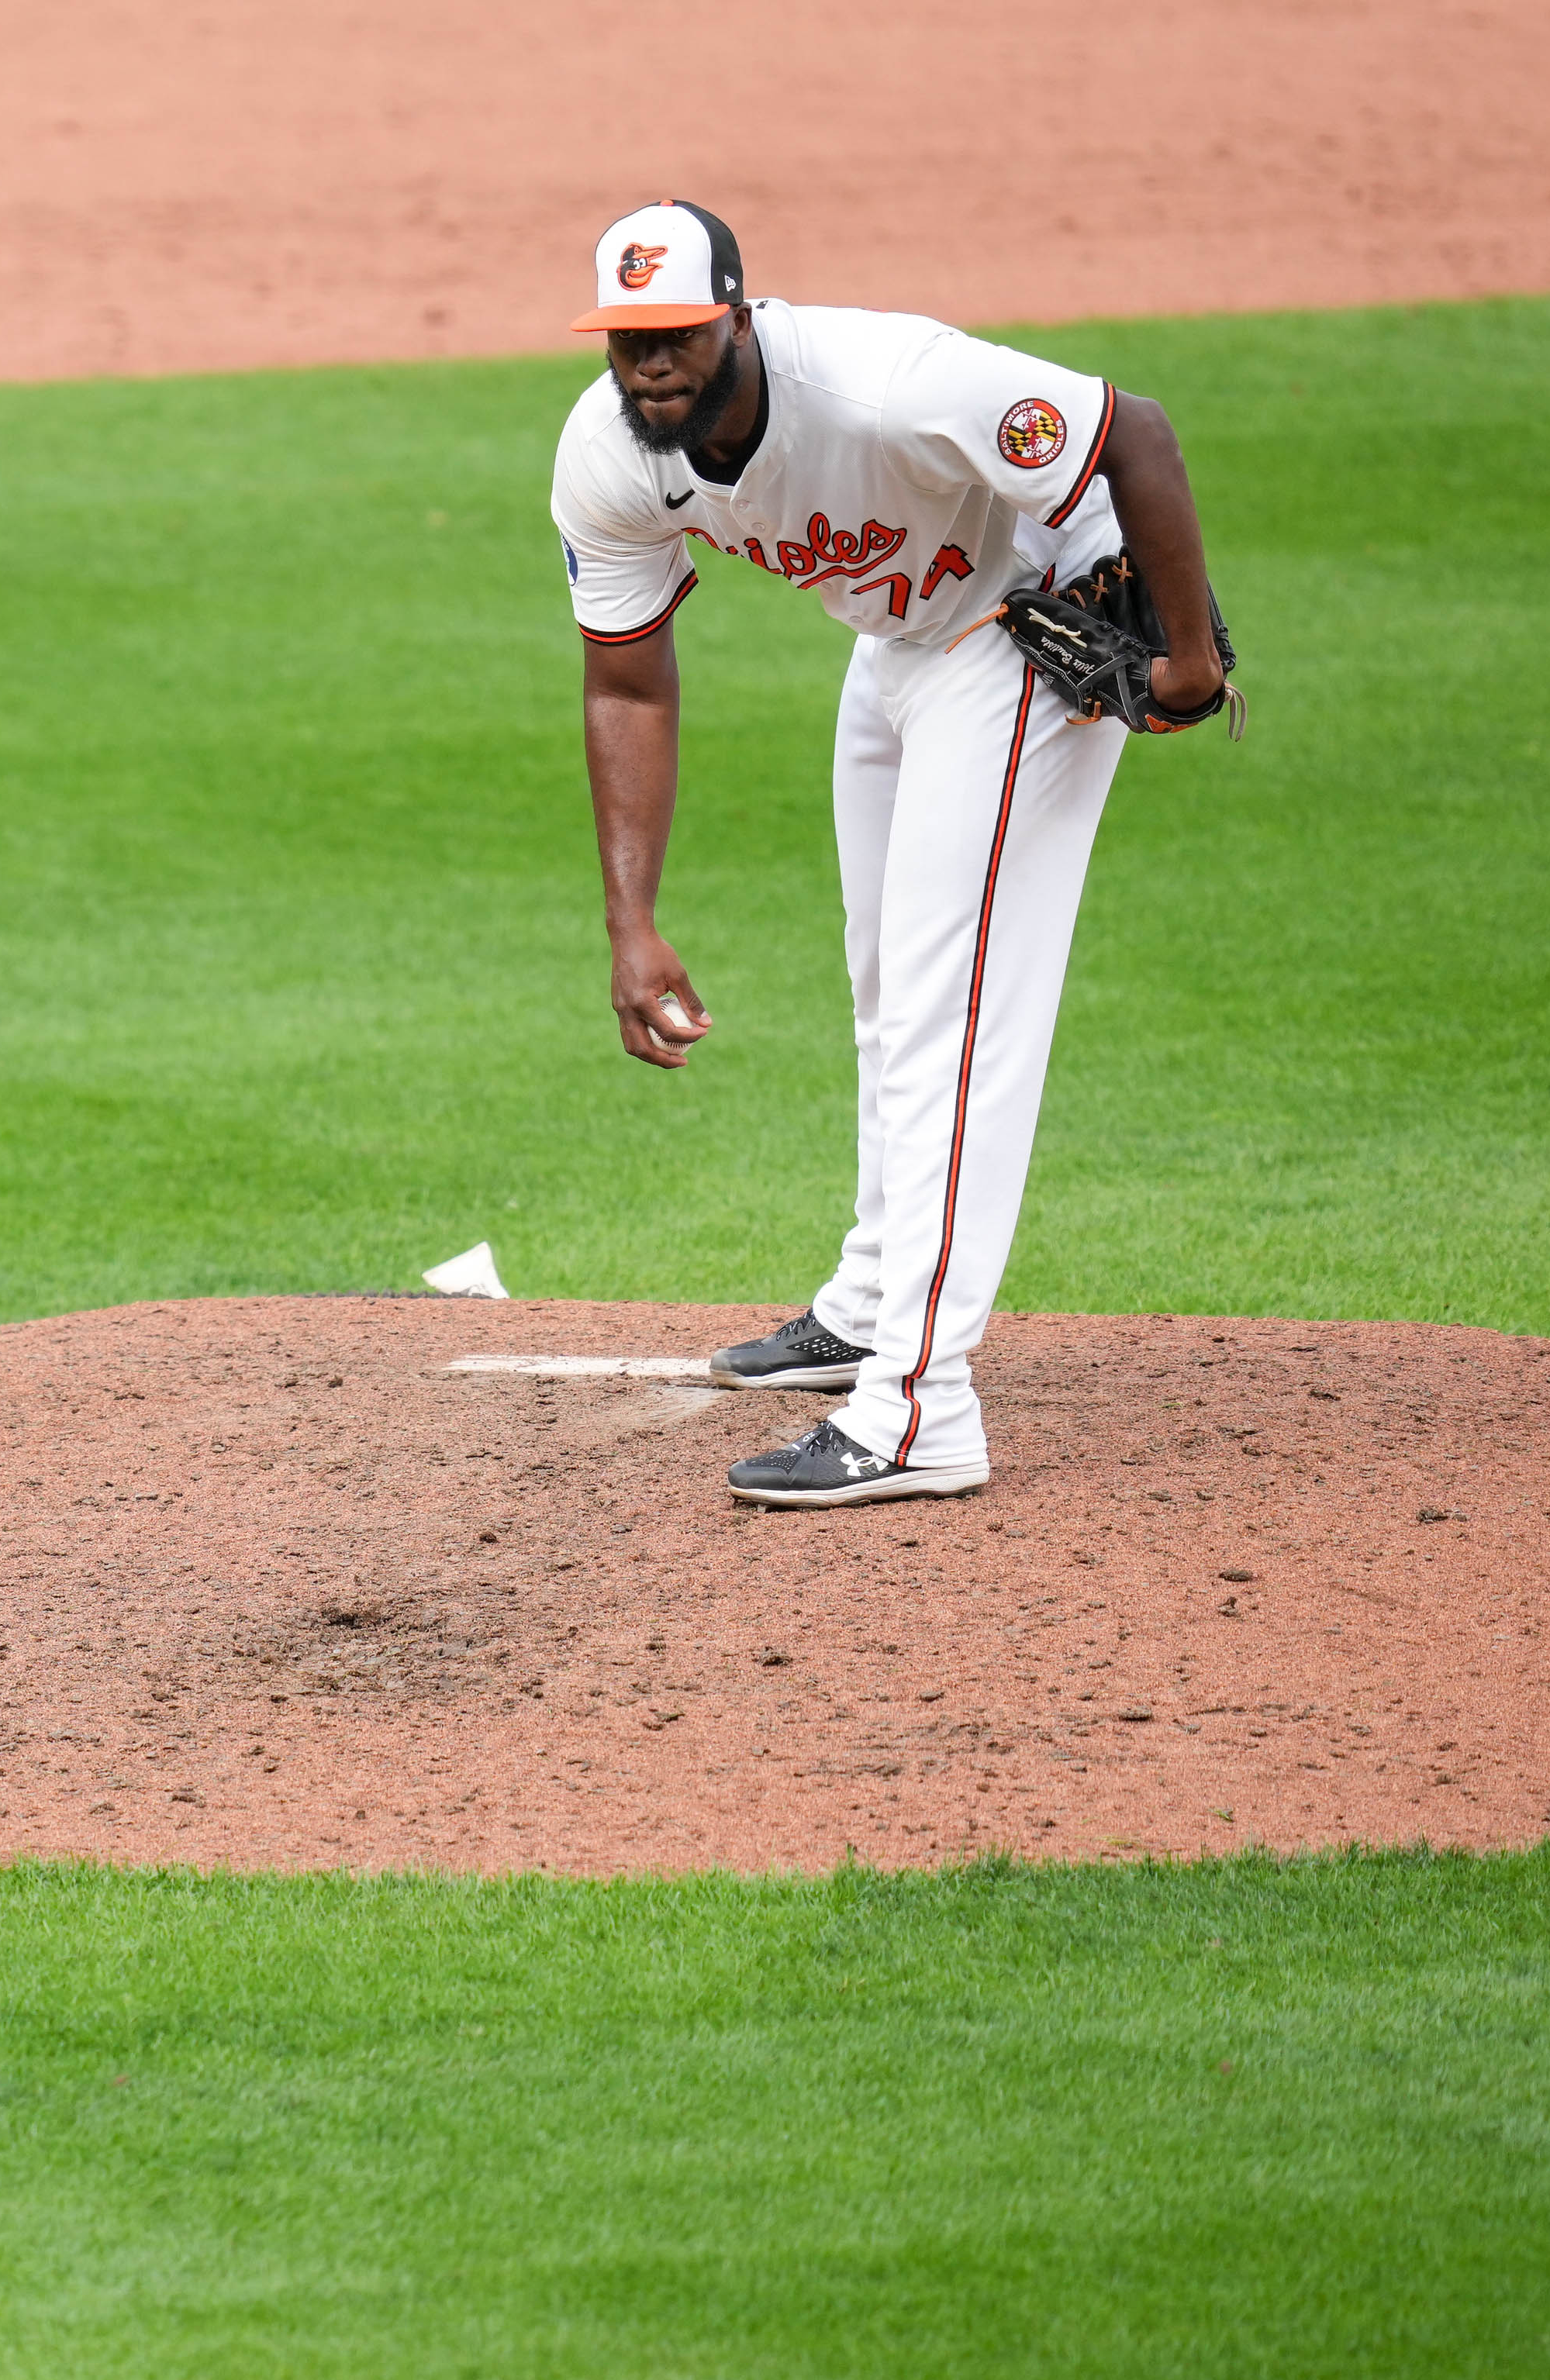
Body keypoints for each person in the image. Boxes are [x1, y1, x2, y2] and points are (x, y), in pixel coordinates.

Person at [551, 199, 1231, 1507]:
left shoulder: (878, 384)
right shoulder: (608, 456)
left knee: (948, 1013)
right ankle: (869, 1307)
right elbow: (626, 686)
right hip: (900, 642)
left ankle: (921, 1406)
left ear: (737, 314)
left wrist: (1188, 666)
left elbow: (1128, 430)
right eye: (626, 337)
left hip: (1032, 626)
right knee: (883, 985)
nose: (650, 363)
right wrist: (628, 919)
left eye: (677, 332)